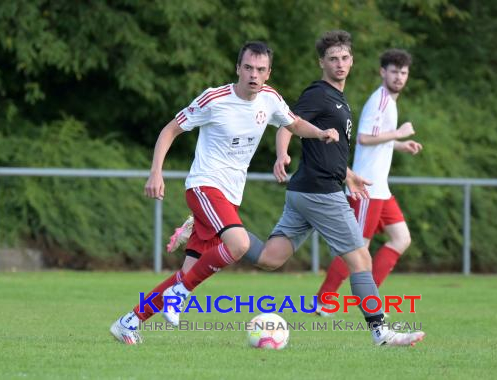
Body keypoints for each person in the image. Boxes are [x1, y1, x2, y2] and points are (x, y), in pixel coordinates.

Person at [166, 32, 425, 347]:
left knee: (270, 259)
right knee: (361, 260)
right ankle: (380, 331)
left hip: (307, 190)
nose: (340, 64)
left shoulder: (339, 98)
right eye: (333, 59)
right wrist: (282, 153)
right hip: (321, 193)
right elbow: (289, 123)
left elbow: (324, 145)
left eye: (344, 58)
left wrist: (347, 174)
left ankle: (214, 227)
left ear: (352, 61)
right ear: (322, 63)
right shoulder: (319, 94)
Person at [109, 41, 339, 345]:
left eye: (260, 69)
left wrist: (320, 132)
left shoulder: (269, 99)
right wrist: (156, 171)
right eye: (247, 68)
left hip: (229, 197)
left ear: (268, 73)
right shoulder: (214, 99)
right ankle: (181, 294)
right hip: (204, 185)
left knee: (188, 272)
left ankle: (129, 321)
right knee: (239, 243)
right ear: (237, 68)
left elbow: (294, 123)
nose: (253, 75)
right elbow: (170, 130)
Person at [313, 49, 422, 316]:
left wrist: (399, 144)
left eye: (403, 72)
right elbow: (363, 138)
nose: (399, 77)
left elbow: (377, 139)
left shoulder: (390, 102)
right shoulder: (381, 100)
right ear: (382, 72)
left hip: (381, 190)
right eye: (394, 71)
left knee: (401, 238)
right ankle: (324, 299)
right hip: (366, 188)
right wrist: (397, 132)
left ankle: (367, 294)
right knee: (356, 246)